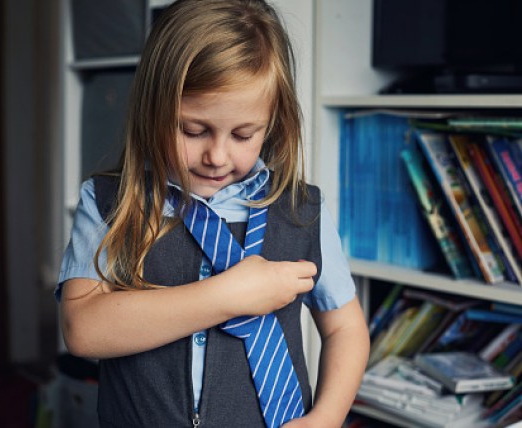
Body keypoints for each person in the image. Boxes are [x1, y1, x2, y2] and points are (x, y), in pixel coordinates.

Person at [56, 0, 370, 426]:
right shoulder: (108, 202)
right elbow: (83, 329)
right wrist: (229, 296)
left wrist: (327, 417)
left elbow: (345, 329)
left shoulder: (303, 211)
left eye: (244, 134)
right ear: (153, 109)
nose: (217, 156)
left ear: (272, 123)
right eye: (193, 130)